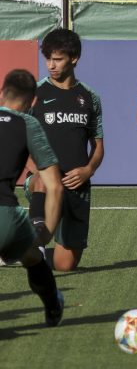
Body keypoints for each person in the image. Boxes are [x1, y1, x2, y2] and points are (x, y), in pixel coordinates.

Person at [26, 28, 104, 271]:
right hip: (43, 181)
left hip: (77, 186)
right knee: (42, 179)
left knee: (65, 265)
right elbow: (18, 141)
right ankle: (36, 239)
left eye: (57, 59)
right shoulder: (35, 94)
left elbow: (99, 146)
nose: (51, 64)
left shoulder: (90, 98)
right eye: (48, 58)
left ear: (74, 58)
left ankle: (21, 252)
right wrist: (40, 169)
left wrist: (88, 170)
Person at [0, 69, 64, 326]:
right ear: (31, 102)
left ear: (2, 92)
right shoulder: (28, 124)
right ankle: (52, 306)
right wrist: (47, 231)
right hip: (5, 217)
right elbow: (55, 186)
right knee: (32, 257)